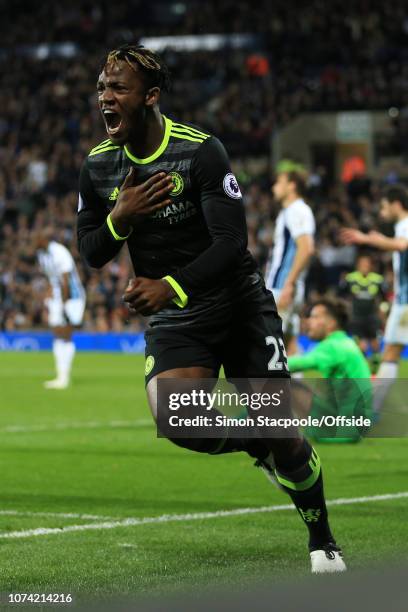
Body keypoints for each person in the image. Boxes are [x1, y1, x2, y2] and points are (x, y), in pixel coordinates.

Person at [77, 44, 345, 573]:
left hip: (239, 304)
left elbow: (230, 244)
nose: (106, 98)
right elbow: (92, 251)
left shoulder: (202, 152)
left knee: (286, 438)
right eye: (102, 88)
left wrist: (169, 285)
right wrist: (120, 218)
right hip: (180, 317)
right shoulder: (99, 165)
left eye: (118, 89)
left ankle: (323, 540)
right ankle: (258, 442)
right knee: (177, 416)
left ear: (150, 97)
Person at [341, 185, 408, 415]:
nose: (381, 211)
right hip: (402, 301)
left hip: (405, 302)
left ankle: (371, 411)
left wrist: (371, 239)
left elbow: (401, 244)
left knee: (390, 353)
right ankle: (371, 410)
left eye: (384, 206)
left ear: (395, 204)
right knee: (390, 353)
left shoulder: (405, 225)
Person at [288, 298, 372, 442]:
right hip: (354, 428)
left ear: (331, 323)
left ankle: (242, 426)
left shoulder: (332, 346)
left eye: (315, 317)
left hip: (339, 429)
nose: (309, 321)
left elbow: (292, 364)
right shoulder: (345, 342)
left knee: (277, 381)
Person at [265, 165, 315, 356]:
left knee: (269, 339)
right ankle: (299, 386)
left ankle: (269, 386)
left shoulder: (297, 210)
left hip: (283, 286)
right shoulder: (289, 212)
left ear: (292, 186)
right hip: (285, 285)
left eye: (279, 182)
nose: (274, 187)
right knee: (290, 343)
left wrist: (289, 283)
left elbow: (306, 247)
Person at [35, 228, 85, 389]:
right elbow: (51, 278)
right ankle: (61, 376)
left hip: (72, 297)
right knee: (57, 332)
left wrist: (64, 304)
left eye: (36, 239)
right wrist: (48, 297)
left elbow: (66, 280)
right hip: (58, 296)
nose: (33, 242)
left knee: (65, 333)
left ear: (44, 240)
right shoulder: (41, 255)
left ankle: (64, 377)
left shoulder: (59, 252)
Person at [340, 254, 385, 372]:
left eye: (367, 263)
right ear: (358, 265)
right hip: (357, 317)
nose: (364, 266)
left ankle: (375, 370)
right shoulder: (350, 278)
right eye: (362, 263)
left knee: (375, 345)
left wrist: (382, 314)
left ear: (370, 265)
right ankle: (364, 371)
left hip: (372, 317)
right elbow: (342, 295)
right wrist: (347, 309)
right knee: (362, 346)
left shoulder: (377, 279)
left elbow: (382, 298)